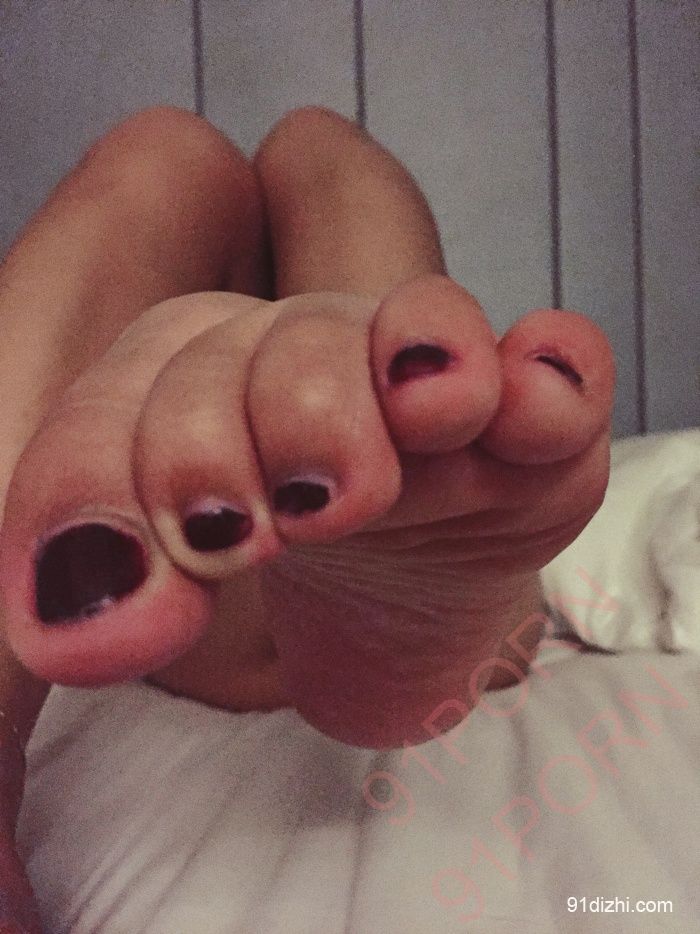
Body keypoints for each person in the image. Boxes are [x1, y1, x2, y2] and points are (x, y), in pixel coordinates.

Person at [0, 105, 614, 931]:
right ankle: (372, 446)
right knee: (217, 149)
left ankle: (354, 437)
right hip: (195, 595)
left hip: (195, 603)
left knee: (251, 148)